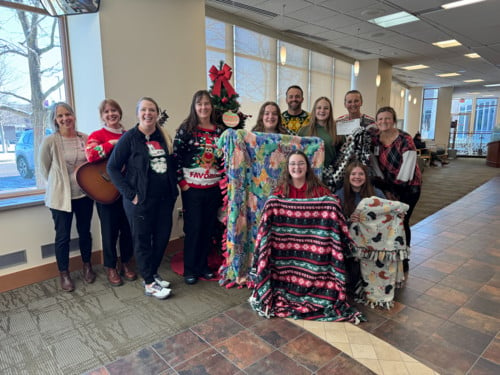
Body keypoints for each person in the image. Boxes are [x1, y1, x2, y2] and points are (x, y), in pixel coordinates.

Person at [107, 97, 178, 300]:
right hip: (140, 201)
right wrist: (131, 195)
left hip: (164, 198)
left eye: (152, 110)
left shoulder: (163, 135)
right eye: (144, 110)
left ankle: (153, 273)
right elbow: (112, 168)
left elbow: (171, 164)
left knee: (162, 237)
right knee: (143, 241)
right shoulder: (129, 138)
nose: (148, 113)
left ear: (157, 113)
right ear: (138, 114)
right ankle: (149, 283)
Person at [39, 102, 95, 292]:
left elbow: (92, 164)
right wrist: (59, 184)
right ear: (55, 120)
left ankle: (87, 266)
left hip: (84, 195)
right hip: (60, 198)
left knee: (85, 232)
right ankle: (64, 274)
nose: (65, 119)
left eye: (67, 114)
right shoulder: (50, 141)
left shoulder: (85, 138)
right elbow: (44, 168)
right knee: (62, 237)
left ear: (74, 115)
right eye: (60, 116)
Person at [173, 90, 224, 285]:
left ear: (211, 107)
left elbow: (224, 158)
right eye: (199, 104)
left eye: (206, 104)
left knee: (208, 228)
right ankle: (190, 269)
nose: (203, 107)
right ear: (194, 107)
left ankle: (203, 266)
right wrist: (183, 184)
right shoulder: (186, 129)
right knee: (193, 229)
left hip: (213, 187)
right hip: (192, 188)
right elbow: (175, 158)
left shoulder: (219, 131)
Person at [85, 99, 136, 286]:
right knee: (109, 230)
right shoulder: (97, 134)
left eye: (114, 110)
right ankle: (110, 266)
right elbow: (91, 155)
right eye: (106, 112)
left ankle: (126, 263)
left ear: (120, 113)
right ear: (102, 116)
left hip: (126, 189)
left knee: (128, 229)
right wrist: (114, 142)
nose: (111, 114)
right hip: (105, 191)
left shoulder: (130, 134)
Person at [371, 106, 422, 278]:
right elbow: (374, 164)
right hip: (387, 186)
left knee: (402, 221)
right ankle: (391, 255)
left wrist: (394, 191)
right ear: (376, 121)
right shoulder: (375, 139)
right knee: (389, 222)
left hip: (408, 187)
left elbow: (406, 172)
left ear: (393, 120)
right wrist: (385, 189)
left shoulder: (405, 139)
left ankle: (404, 258)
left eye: (387, 118)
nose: (384, 122)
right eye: (380, 119)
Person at [335, 161, 386, 294]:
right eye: (353, 174)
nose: (357, 177)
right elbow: (335, 220)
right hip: (350, 241)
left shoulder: (377, 194)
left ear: (366, 176)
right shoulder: (340, 195)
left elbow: (386, 214)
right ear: (347, 177)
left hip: (371, 241)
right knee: (352, 277)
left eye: (361, 174)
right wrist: (348, 221)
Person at [298, 97, 339, 191]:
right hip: (308, 176)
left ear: (330, 111)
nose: (322, 111)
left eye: (326, 108)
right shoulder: (304, 131)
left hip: (330, 178)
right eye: (319, 108)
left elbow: (343, 155)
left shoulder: (337, 130)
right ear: (314, 110)